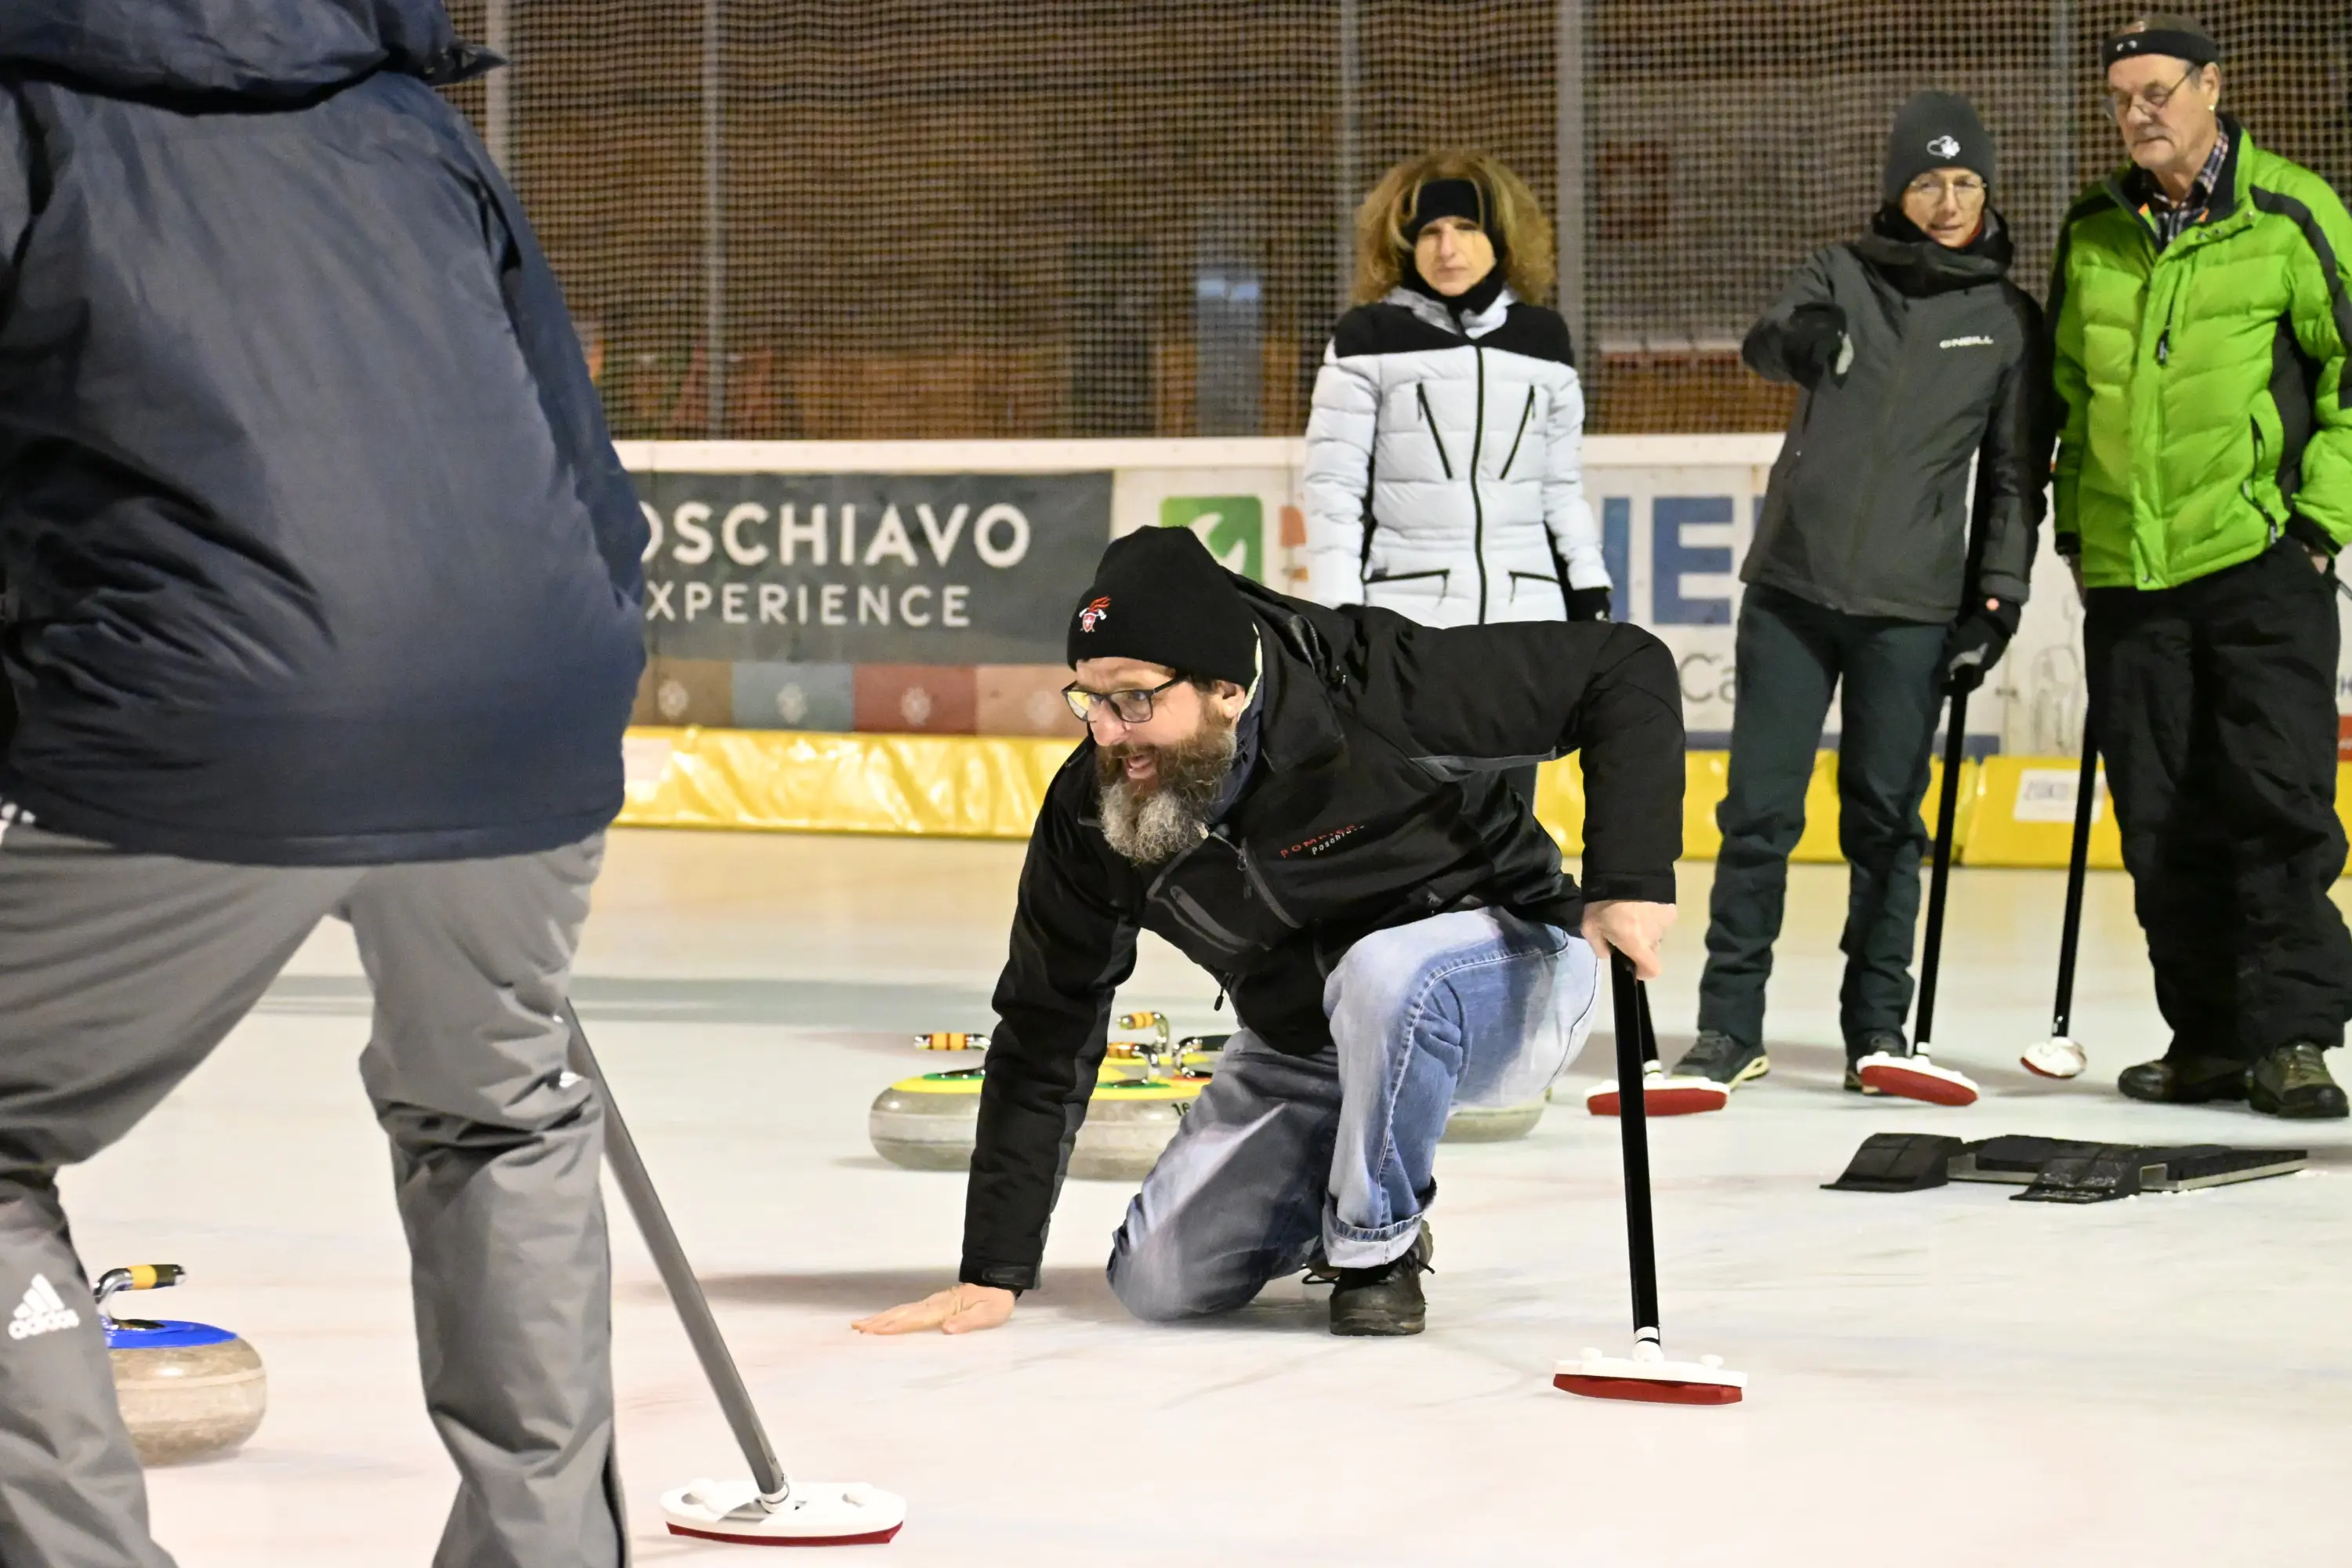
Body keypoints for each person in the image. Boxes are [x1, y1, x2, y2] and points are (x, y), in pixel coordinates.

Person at [0, 4, 645, 1565]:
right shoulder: (412, 126)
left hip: (212, 708)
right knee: (502, 1116)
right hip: (531, 702)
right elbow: (575, 446)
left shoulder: (28, 115)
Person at [852, 526, 1680, 1340]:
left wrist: (1631, 878)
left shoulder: (1371, 685)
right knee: (1160, 1280)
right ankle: (1341, 1204)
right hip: (1306, 1032)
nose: (1108, 731)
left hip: (1503, 974)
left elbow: (1622, 665)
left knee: (1385, 972)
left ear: (1226, 688)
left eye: (1135, 698)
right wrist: (993, 1268)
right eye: (1090, 700)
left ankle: (1376, 1250)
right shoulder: (1096, 806)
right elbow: (1045, 1021)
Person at [1668, 92, 2049, 1103]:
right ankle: (1726, 1028)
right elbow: (1767, 338)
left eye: (1966, 181)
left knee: (1887, 821)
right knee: (1759, 813)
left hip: (1912, 609)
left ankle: (1877, 1028)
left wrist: (1998, 603)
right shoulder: (1842, 271)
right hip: (1792, 589)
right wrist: (1802, 341)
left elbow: (2016, 475)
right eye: (1927, 181)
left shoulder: (2009, 319)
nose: (1948, 198)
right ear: (1897, 190)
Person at [2051, 13, 2352, 1120]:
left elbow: (2348, 376)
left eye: (2158, 92)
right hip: (2133, 577)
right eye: (2121, 97)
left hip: (2260, 560)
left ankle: (2294, 1039)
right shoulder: (2091, 227)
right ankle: (2210, 1036)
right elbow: (2075, 402)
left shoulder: (2289, 212)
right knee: (2162, 812)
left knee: (2275, 802)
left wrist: (2317, 523)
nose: (2139, 114)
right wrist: (2080, 535)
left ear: (2211, 88)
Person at [1301, 149, 1612, 804]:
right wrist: (1340, 612)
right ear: (1403, 245)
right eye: (1430, 233)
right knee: (1407, 811)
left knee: (1508, 812)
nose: (1449, 248)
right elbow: (1333, 488)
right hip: (1410, 617)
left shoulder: (1543, 338)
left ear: (1499, 239)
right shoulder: (1368, 336)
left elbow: (1559, 486)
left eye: (1466, 229)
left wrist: (1588, 589)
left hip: (1521, 614)